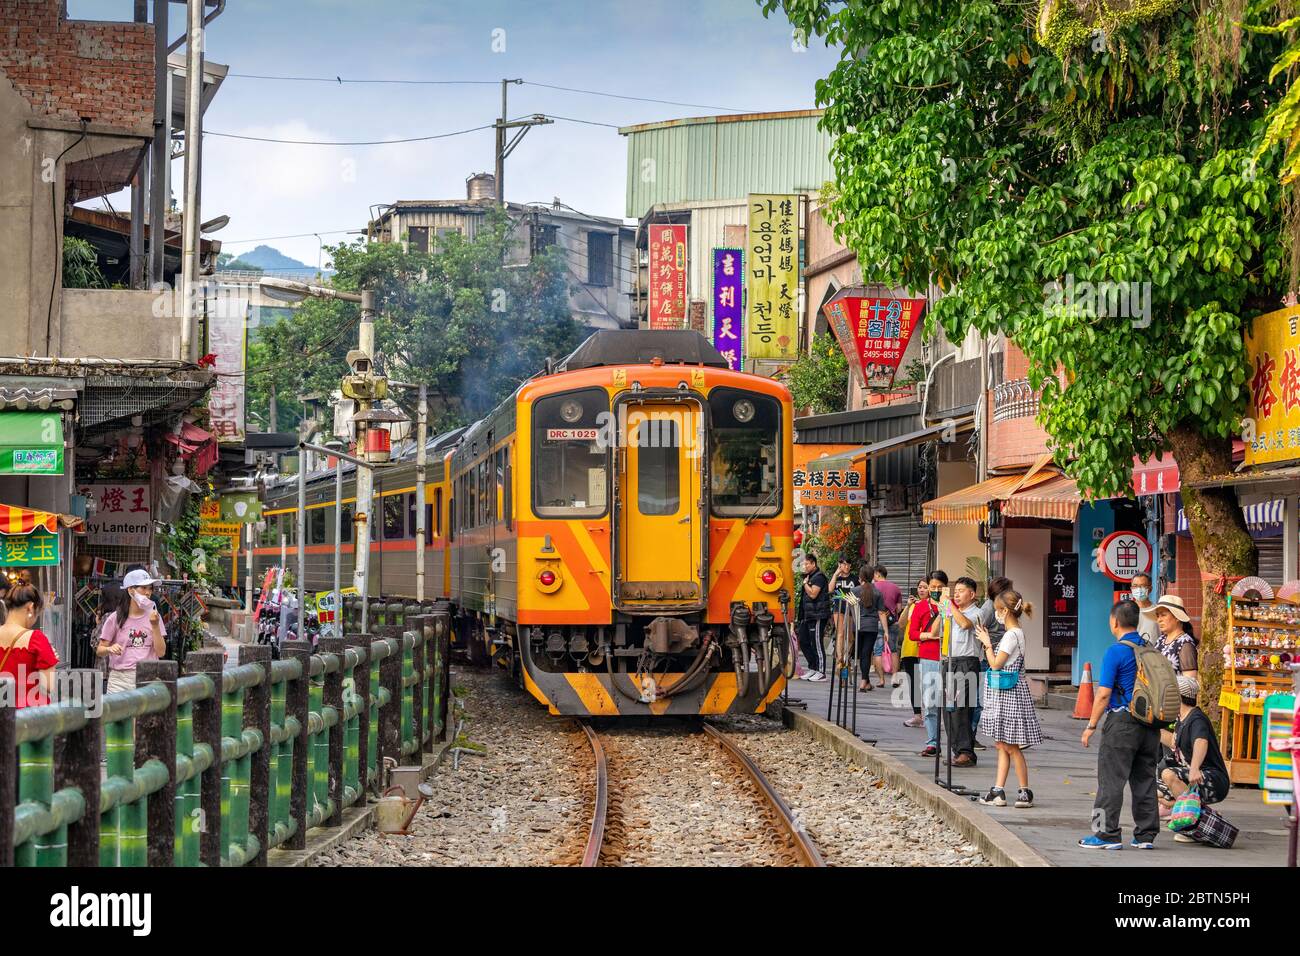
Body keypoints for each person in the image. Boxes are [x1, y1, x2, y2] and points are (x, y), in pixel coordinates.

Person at [1079, 600, 1162, 850]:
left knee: (1110, 780)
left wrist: (1091, 725)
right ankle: (1145, 835)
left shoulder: (1115, 651)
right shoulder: (1149, 648)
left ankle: (1105, 834)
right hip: (1150, 724)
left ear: (1114, 621)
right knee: (1145, 780)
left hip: (1122, 723)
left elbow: (1103, 694)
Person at [975, 588, 1042, 808]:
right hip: (1009, 692)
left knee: (1011, 746)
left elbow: (995, 664)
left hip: (1007, 694)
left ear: (1004, 611)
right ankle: (998, 790)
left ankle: (1025, 791)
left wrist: (986, 643)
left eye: (997, 610)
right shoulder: (1016, 633)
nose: (995, 614)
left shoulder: (1011, 635)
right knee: (1002, 744)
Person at [1157, 674, 1231, 843]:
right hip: (1194, 776)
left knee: (1169, 774)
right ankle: (1196, 811)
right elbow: (1174, 742)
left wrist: (1195, 767)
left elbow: (1201, 742)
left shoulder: (1196, 719)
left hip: (1213, 779)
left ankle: (1192, 825)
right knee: (1148, 791)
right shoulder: (1181, 719)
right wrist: (1150, 730)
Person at [943, 576, 989, 768]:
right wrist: (942, 610)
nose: (957, 593)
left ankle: (966, 752)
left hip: (967, 663)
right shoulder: (952, 610)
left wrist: (950, 605)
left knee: (962, 709)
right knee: (948, 710)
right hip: (949, 661)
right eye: (955, 591)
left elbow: (965, 624)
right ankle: (957, 750)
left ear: (972, 594)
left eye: (961, 591)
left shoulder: (978, 613)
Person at [96, 568, 167, 694]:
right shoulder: (115, 617)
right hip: (119, 680)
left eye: (150, 588)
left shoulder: (154, 616)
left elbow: (161, 652)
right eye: (143, 588)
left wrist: (155, 626)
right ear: (130, 590)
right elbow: (100, 650)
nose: (147, 592)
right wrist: (109, 649)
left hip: (147, 677)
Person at [0, 584, 58, 708]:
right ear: (31, 608)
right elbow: (48, 686)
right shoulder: (36, 639)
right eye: (37, 614)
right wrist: (52, 663)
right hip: (29, 718)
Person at [973, 576, 1014, 750]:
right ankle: (970, 736)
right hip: (989, 657)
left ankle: (1004, 735)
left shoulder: (1000, 606)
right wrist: (986, 644)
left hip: (999, 655)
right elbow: (978, 627)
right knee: (981, 700)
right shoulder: (990, 606)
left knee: (995, 699)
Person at [918, 570, 948, 757]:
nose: (935, 590)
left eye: (939, 587)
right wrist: (929, 635)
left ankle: (957, 742)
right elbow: (913, 633)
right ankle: (932, 742)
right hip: (928, 657)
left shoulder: (952, 606)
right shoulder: (921, 607)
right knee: (930, 702)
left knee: (953, 702)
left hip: (948, 656)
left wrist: (945, 606)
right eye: (933, 587)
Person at [896, 579, 930, 727]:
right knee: (915, 683)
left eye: (925, 587)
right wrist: (908, 606)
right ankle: (917, 715)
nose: (921, 590)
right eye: (919, 587)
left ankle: (931, 715)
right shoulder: (912, 606)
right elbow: (902, 624)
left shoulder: (933, 606)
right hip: (910, 649)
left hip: (927, 649)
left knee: (929, 682)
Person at [1141, 595, 1197, 681]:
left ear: (1177, 617)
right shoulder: (1161, 640)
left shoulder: (1185, 643)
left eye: (1163, 615)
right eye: (1158, 616)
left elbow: (1190, 682)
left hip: (1174, 694)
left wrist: (1165, 684)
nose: (1159, 620)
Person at [851, 566, 890, 691]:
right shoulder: (877, 593)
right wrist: (886, 631)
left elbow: (850, 610)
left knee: (862, 654)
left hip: (857, 626)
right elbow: (881, 613)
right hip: (872, 627)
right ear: (873, 576)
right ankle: (864, 681)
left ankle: (865, 681)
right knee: (866, 653)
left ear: (861, 577)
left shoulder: (854, 591)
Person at [795, 554, 830, 682]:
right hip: (807, 615)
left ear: (813, 564)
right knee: (803, 641)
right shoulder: (809, 577)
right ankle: (813, 667)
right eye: (804, 564)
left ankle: (821, 672)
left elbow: (813, 594)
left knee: (816, 643)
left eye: (807, 564)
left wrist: (805, 584)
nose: (805, 566)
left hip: (817, 615)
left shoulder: (819, 577)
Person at [870, 565, 902, 686]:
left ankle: (881, 680)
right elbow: (898, 608)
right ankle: (894, 678)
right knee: (894, 650)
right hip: (892, 623)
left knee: (877, 651)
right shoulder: (896, 587)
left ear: (877, 574)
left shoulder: (873, 587)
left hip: (877, 622)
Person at [828, 557, 859, 669]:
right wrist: (835, 575)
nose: (846, 566)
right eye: (843, 564)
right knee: (840, 633)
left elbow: (859, 592)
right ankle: (839, 659)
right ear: (839, 564)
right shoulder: (837, 578)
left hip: (850, 608)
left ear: (850, 566)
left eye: (848, 564)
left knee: (850, 637)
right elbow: (830, 590)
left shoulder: (855, 579)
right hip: (838, 607)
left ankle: (846, 656)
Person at [1131, 573, 1159, 645]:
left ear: (1150, 589)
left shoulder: (1158, 611)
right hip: (1133, 654)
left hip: (1154, 654)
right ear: (1131, 589)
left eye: (1143, 586)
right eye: (1135, 586)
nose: (1139, 589)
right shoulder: (1127, 611)